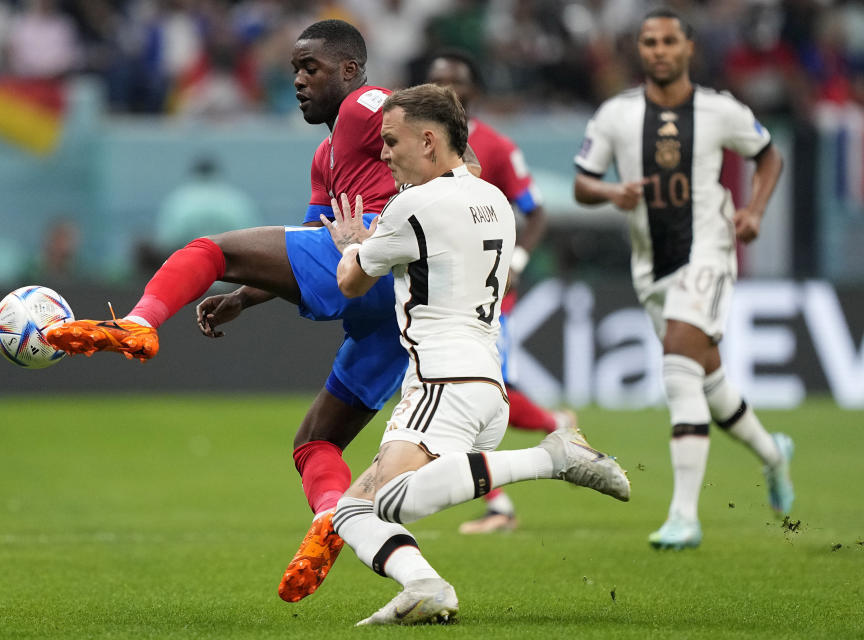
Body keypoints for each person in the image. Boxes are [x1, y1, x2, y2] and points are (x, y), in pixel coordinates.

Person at [47, 19, 419, 603]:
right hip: (393, 317)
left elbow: (443, 145)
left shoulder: (366, 104)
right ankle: (330, 519)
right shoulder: (328, 156)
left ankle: (138, 324)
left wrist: (426, 205)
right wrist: (245, 296)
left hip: (377, 258)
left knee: (209, 250)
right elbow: (309, 238)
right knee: (313, 443)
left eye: (310, 68)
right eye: (294, 68)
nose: (297, 79)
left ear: (349, 69)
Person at [320, 83, 629, 626]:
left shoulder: (410, 206)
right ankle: (423, 584)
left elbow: (347, 283)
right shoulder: (494, 201)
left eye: (391, 142)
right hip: (487, 386)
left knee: (389, 500)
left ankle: (550, 457)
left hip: (442, 384)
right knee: (351, 507)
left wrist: (352, 243)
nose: (384, 154)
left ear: (430, 140)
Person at [572, 8, 793, 551]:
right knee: (708, 384)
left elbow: (769, 158)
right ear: (640, 50)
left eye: (669, 41)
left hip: (709, 252)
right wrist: (611, 193)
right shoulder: (616, 114)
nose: (659, 50)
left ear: (689, 48)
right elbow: (583, 183)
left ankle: (683, 515)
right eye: (649, 41)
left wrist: (755, 212)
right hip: (651, 264)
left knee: (677, 365)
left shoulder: (720, 110)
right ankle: (773, 454)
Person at [425, 49, 577, 535]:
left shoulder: (493, 146)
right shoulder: (411, 145)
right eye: (438, 82)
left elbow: (536, 211)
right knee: (469, 394)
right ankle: (552, 431)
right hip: (436, 294)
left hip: (486, 296)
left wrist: (518, 259)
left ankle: (514, 486)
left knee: (484, 392)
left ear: (473, 92)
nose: (447, 90)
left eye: (457, 82)